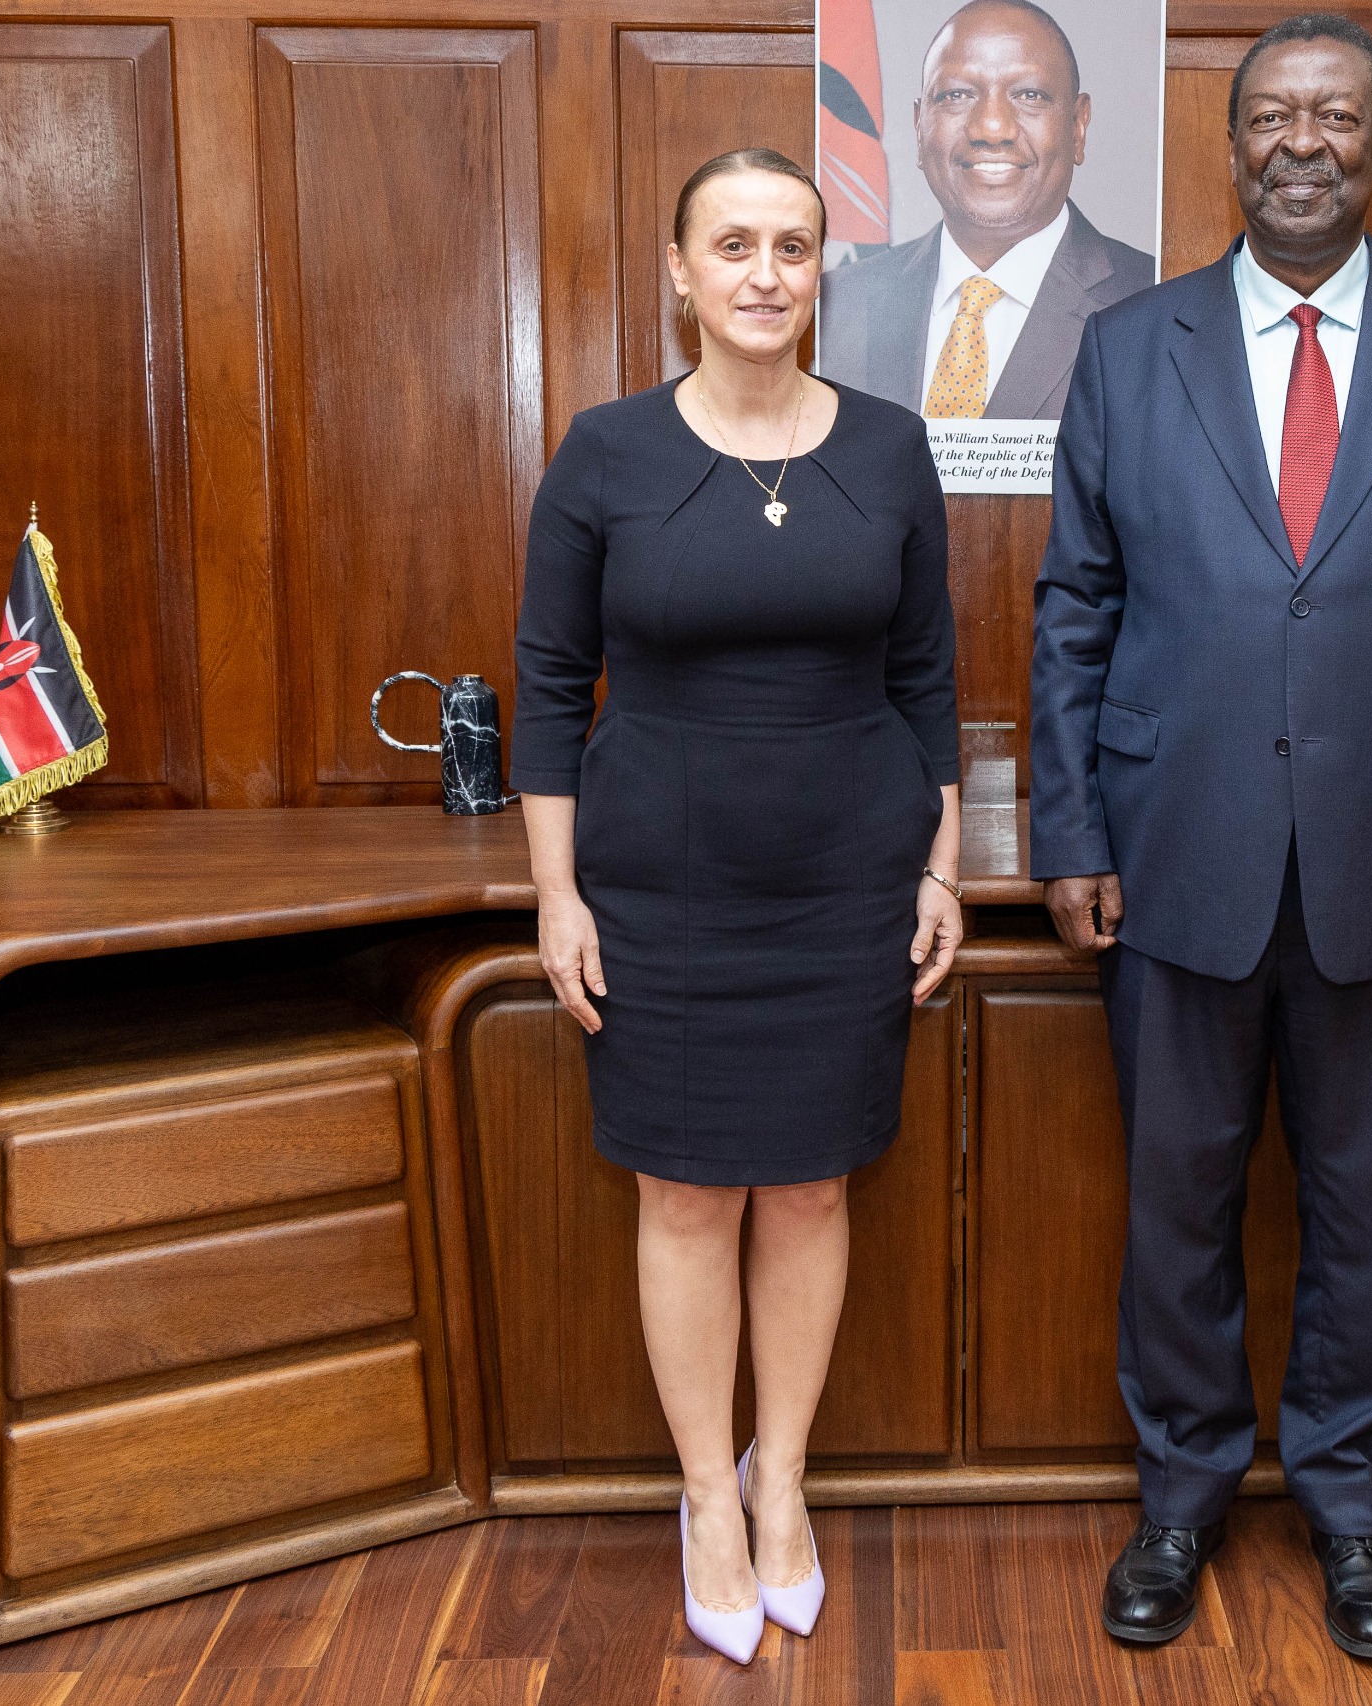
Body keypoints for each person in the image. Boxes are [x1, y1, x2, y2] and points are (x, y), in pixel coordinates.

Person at [1027, 13, 1372, 1663]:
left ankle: (1348, 1508)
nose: (1301, 143)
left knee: (1360, 1206)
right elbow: (1075, 612)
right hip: (1174, 853)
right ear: (1233, 143)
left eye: (1335, 117)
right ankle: (1179, 1498)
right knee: (1177, 1206)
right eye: (1272, 117)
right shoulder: (1130, 345)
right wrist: (1070, 829)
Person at [510, 147, 964, 1666]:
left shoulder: (893, 450)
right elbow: (551, 687)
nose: (766, 273)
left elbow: (928, 682)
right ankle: (706, 1494)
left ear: (822, 269)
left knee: (818, 1185)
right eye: (734, 245)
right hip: (662, 887)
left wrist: (942, 864)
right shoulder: (604, 453)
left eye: (793, 245)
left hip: (847, 877)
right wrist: (556, 895)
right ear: (680, 270)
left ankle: (787, 1480)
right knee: (688, 1192)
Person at [818, 0, 1155, 420]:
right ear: (920, 127)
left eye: (1029, 95)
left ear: (1078, 125)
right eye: (958, 95)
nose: (991, 128)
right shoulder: (834, 304)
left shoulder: (1153, 301)